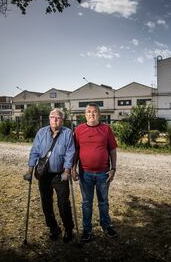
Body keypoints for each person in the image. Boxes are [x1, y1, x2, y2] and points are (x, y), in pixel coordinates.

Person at [24, 108, 75, 242]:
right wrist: (29, 171)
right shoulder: (41, 132)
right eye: (52, 117)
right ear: (49, 118)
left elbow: (70, 153)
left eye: (58, 117)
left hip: (60, 175)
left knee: (63, 204)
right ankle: (53, 228)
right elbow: (34, 152)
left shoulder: (68, 133)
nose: (55, 119)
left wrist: (67, 171)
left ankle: (68, 229)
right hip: (44, 175)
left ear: (62, 120)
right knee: (46, 204)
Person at [72, 103, 118, 242]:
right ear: (85, 115)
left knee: (103, 201)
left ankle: (106, 225)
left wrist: (113, 168)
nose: (92, 114)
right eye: (89, 112)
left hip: (103, 173)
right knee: (86, 202)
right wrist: (73, 168)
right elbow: (75, 151)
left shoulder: (106, 129)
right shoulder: (79, 130)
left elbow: (112, 150)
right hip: (85, 173)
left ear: (99, 114)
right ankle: (87, 230)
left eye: (95, 112)